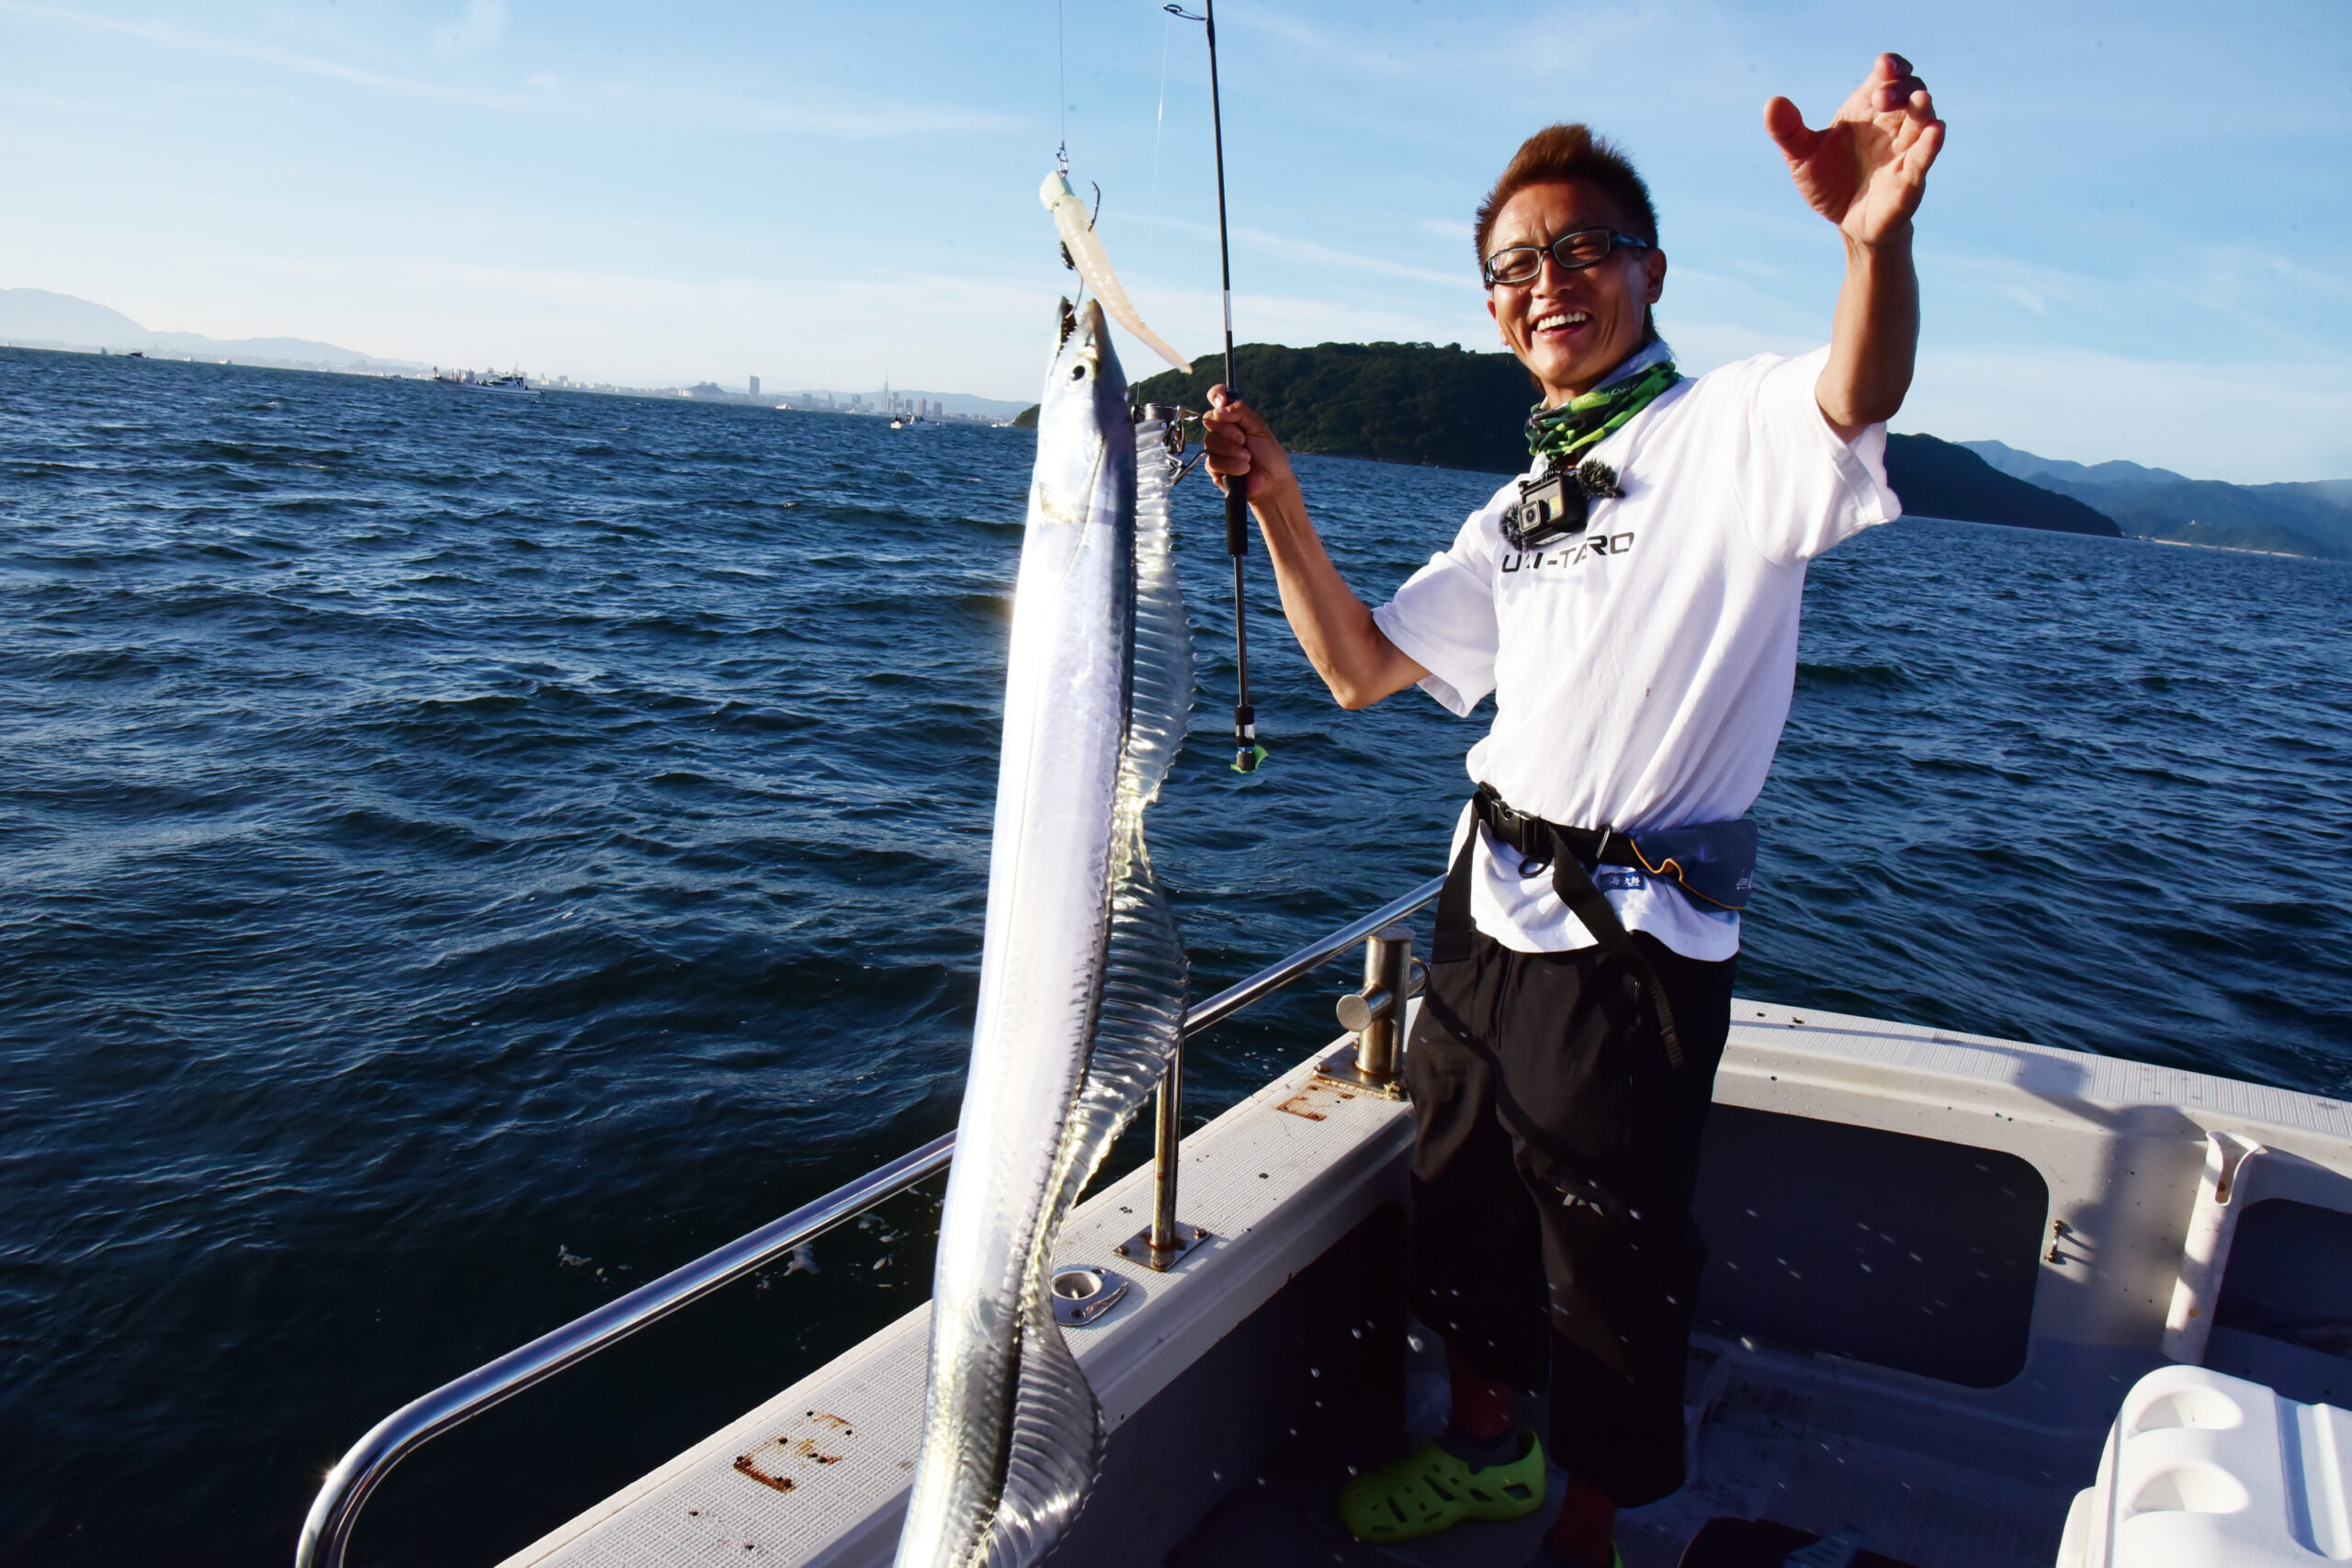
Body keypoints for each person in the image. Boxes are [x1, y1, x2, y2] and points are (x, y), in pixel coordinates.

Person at [1199, 53, 1944, 1568]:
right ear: (1494, 312)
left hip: (1633, 943)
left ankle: (1587, 1530)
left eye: (1582, 248)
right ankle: (1487, 1450)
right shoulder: (1517, 510)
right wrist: (1279, 501)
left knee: (1613, 1257)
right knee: (1460, 1203)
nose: (1548, 282)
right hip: (1482, 907)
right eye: (1514, 267)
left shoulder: (1731, 430)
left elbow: (1855, 391)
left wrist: (1874, 244)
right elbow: (1357, 671)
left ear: (1651, 271)